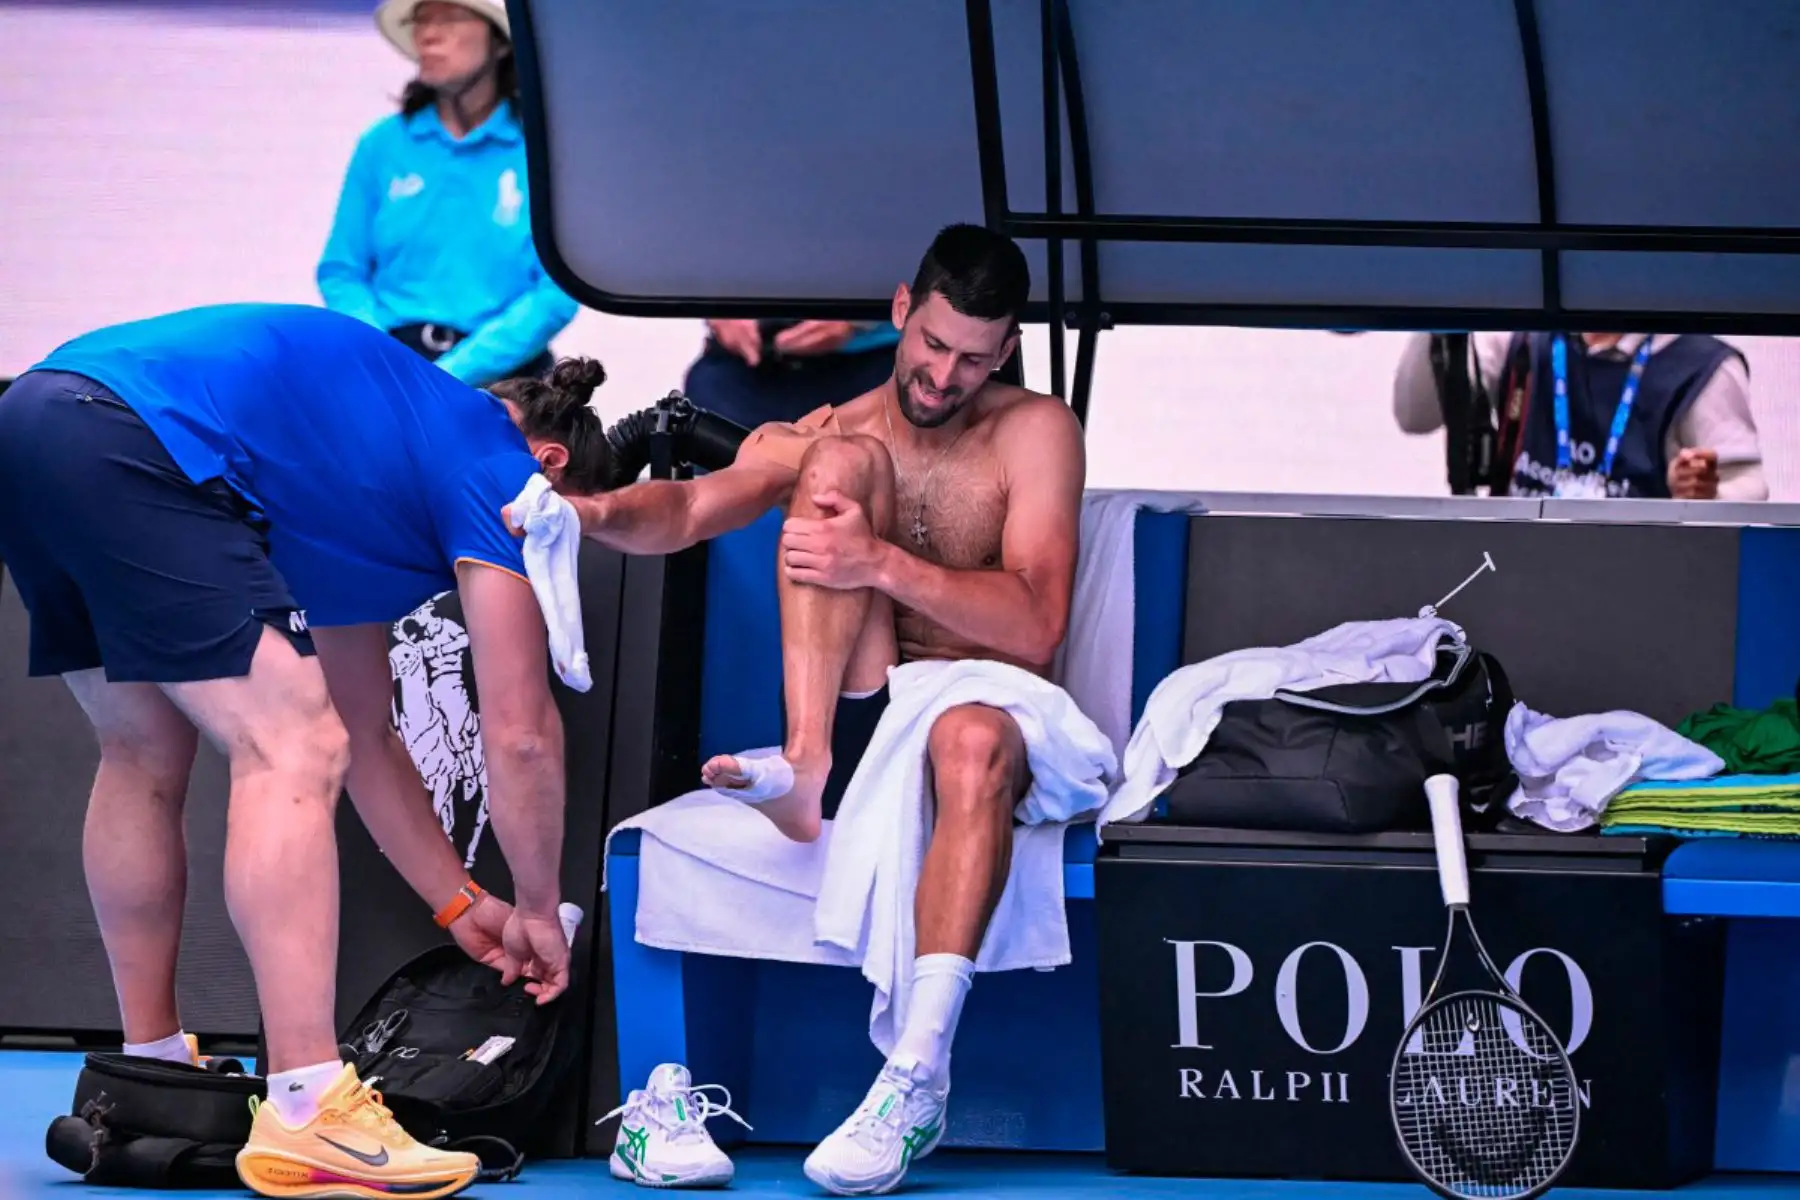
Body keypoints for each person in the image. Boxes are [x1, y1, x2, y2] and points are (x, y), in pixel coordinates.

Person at [0, 303, 611, 1200]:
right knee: (288, 742)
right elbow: (519, 733)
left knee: (141, 749)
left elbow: (368, 736)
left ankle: (151, 1071)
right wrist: (533, 909)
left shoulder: (361, 470)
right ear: (553, 467)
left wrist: (460, 903)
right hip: (137, 437)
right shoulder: (501, 471)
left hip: (35, 418)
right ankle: (308, 1105)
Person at [557, 224, 1086, 1196]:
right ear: (898, 312)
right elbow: (690, 509)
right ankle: (805, 770)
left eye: (973, 357)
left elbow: (1037, 626)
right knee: (839, 469)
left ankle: (915, 1079)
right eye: (931, 344)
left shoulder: (1036, 431)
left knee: (968, 735)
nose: (942, 375)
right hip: (865, 714)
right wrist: (583, 516)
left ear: (1006, 350)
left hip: (985, 704)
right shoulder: (823, 430)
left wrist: (879, 562)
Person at [318, 0, 578, 386]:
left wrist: (453, 374)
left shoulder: (543, 149)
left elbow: (557, 291)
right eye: (422, 19)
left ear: (502, 42)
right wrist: (386, 359)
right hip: (391, 368)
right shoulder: (383, 144)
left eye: (450, 18)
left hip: (509, 380)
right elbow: (341, 272)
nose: (428, 34)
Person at [1392, 330, 1767, 500]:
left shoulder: (1700, 365)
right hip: (1513, 570)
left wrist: (1704, 496)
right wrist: (1438, 301)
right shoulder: (1520, 338)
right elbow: (1414, 416)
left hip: (1640, 579)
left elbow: (1750, 487)